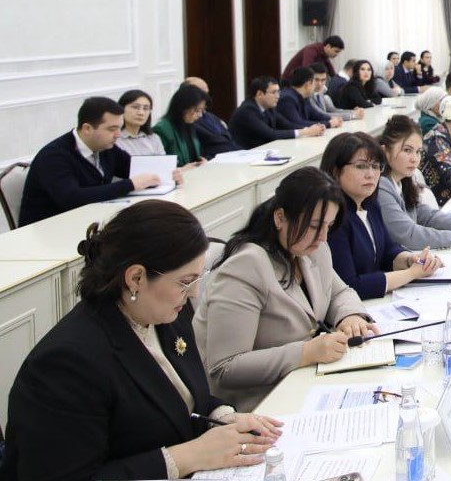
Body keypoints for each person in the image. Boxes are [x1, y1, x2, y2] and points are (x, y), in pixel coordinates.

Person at [0, 201, 282, 480]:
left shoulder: (165, 313)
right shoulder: (66, 363)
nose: (195, 293)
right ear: (136, 278)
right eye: (185, 281)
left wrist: (223, 418)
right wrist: (188, 456)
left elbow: (184, 399)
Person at [194, 167, 377, 411]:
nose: (323, 237)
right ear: (280, 218)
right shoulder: (247, 265)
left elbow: (338, 292)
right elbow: (225, 368)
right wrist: (306, 353)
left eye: (329, 226)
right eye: (314, 225)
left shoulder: (313, 249)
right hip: (256, 402)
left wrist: (350, 315)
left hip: (300, 383)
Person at [320, 133, 445, 299]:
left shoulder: (370, 204)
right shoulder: (332, 218)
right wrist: (412, 273)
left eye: (376, 166)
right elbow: (350, 285)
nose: (371, 174)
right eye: (361, 166)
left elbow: (388, 250)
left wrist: (410, 259)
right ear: (336, 171)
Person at [20, 98, 171, 225]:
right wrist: (130, 184)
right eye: (112, 129)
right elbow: (72, 198)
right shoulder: (54, 156)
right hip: (50, 230)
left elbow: (133, 167)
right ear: (87, 128)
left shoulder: (106, 147)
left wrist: (168, 173)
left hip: (89, 222)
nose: (118, 135)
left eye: (119, 128)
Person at [376, 115, 451, 249]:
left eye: (418, 152)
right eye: (407, 150)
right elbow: (409, 235)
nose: (414, 159)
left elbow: (427, 216)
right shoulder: (382, 186)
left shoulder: (404, 180)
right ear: (385, 151)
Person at [230, 77, 325, 150]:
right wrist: (305, 132)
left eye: (278, 92)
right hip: (245, 155)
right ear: (259, 94)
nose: (278, 96)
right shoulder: (247, 111)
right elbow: (271, 134)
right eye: (274, 92)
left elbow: (287, 125)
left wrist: (313, 128)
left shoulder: (269, 107)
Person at [183, 78, 241, 159]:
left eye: (207, 93)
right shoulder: (189, 121)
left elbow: (228, 139)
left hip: (235, 154)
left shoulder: (210, 116)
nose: (206, 97)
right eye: (202, 93)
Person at [153, 84, 210, 167]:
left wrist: (202, 162)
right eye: (197, 110)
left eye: (202, 110)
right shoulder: (162, 129)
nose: (200, 115)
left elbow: (196, 156)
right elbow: (161, 165)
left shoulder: (190, 125)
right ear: (183, 107)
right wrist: (183, 169)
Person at [115, 89, 165, 156]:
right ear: (121, 108)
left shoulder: (154, 138)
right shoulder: (114, 140)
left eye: (146, 108)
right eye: (135, 107)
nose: (141, 113)